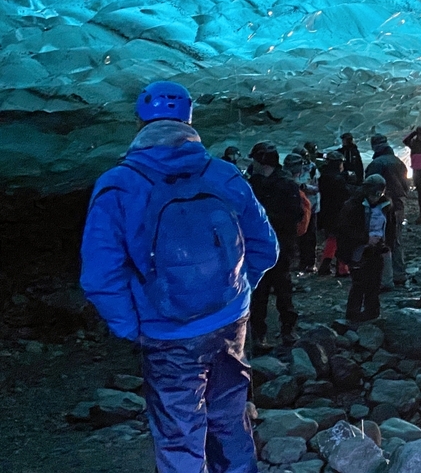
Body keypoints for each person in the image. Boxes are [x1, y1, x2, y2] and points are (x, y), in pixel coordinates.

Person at [81, 81, 278, 473]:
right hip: (229, 320)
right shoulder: (222, 174)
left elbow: (101, 275)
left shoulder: (119, 185)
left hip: (166, 331)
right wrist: (237, 291)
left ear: (139, 122)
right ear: (189, 119)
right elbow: (266, 248)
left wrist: (132, 326)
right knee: (229, 420)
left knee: (179, 435)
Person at [247, 142, 304, 350]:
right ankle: (259, 334)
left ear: (262, 161)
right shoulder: (255, 183)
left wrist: (266, 220)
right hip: (260, 246)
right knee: (259, 292)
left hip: (280, 244)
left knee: (282, 289)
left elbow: (295, 215)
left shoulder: (285, 184)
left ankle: (287, 330)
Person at [336, 174, 390, 322]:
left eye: (379, 194)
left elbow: (389, 226)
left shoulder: (385, 205)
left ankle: (372, 312)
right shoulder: (352, 206)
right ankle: (353, 314)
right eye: (374, 194)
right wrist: (366, 239)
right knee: (359, 283)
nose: (376, 197)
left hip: (377, 248)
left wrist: (386, 243)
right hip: (356, 250)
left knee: (375, 282)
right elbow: (345, 230)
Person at [364, 133, 410, 288]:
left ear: (374, 146)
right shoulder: (398, 161)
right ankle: (399, 274)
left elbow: (369, 186)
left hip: (382, 205)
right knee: (396, 238)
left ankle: (383, 277)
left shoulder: (377, 163)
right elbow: (406, 185)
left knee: (381, 239)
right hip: (399, 203)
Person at [317, 151, 351, 277]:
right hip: (339, 213)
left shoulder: (323, 177)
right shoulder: (338, 179)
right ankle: (342, 268)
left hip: (326, 212)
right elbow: (345, 195)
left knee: (332, 239)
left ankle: (325, 265)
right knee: (343, 241)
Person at [288, 148, 320, 273]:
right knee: (300, 235)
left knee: (311, 236)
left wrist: (302, 186)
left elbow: (316, 188)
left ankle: (311, 263)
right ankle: (302, 262)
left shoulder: (312, 169)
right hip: (299, 206)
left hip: (312, 206)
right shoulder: (292, 170)